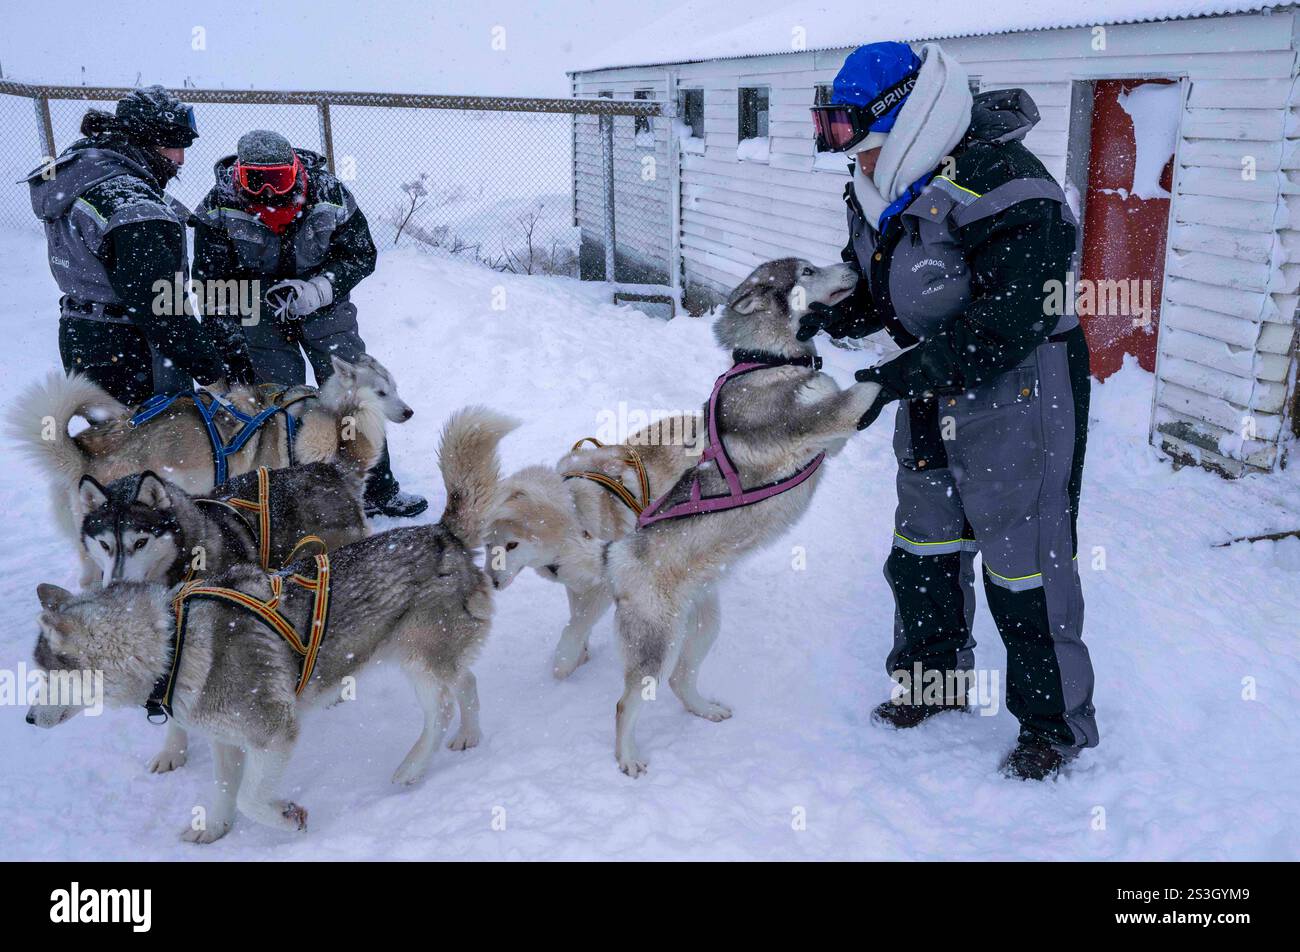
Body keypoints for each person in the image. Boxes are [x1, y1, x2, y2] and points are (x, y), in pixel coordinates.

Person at [806, 41, 1097, 779]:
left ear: (908, 121)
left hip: (1022, 383)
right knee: (925, 542)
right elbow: (883, 286)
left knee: (1023, 560)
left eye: (862, 142)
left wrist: (891, 378)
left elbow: (1010, 320)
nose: (856, 160)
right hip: (933, 378)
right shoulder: (878, 184)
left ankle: (1052, 726)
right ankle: (935, 683)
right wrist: (821, 315)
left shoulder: (1012, 187)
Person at [192, 130, 426, 518]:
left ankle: (377, 489)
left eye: (278, 179)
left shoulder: (329, 194)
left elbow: (362, 254)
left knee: (356, 395)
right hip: (261, 317)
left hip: (324, 308)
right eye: (256, 180)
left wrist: (319, 288)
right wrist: (249, 306)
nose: (268, 190)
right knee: (285, 405)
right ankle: (299, 495)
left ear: (295, 170)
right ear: (240, 174)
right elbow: (210, 282)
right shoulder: (219, 207)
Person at [25, 85, 254, 406]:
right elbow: (160, 307)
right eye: (175, 145)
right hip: (130, 348)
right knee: (157, 450)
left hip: (82, 334)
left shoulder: (84, 177)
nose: (181, 159)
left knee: (103, 448)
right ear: (145, 139)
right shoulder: (132, 205)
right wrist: (212, 372)